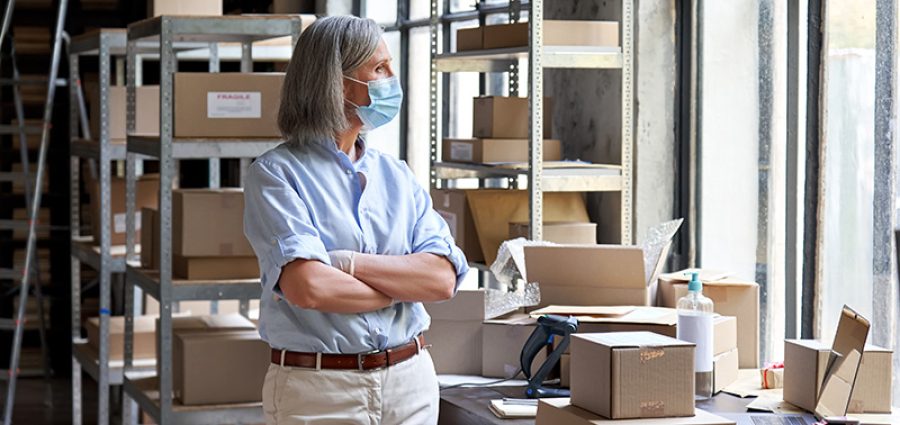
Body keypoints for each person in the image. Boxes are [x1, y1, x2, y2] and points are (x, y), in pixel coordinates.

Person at [243, 15, 469, 425]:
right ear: (338, 83)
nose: (392, 80)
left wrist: (346, 263)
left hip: (411, 381)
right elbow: (307, 286)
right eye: (379, 68)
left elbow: (440, 279)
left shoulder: (397, 175)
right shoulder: (276, 175)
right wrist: (397, 289)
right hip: (321, 390)